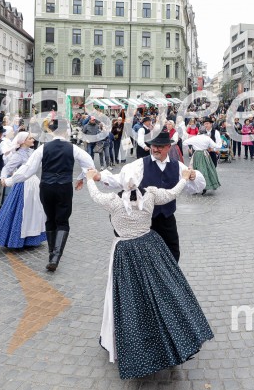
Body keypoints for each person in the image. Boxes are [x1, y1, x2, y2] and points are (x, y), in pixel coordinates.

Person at [85, 167, 213, 379]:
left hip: (125, 251)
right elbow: (172, 193)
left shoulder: (113, 202)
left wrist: (90, 179)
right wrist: (182, 178)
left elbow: (95, 195)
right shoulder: (150, 194)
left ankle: (135, 348)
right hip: (150, 246)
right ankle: (171, 338)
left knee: (129, 299)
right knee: (161, 293)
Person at [94, 131, 206, 262]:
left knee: (173, 251)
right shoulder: (140, 164)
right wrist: (100, 176)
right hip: (144, 219)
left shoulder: (178, 166)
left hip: (167, 217)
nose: (155, 149)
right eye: (154, 146)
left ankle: (169, 278)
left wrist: (194, 176)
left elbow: (197, 186)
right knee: (146, 255)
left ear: (168, 147)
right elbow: (121, 179)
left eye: (160, 146)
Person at [2, 120, 96, 271]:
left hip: (46, 186)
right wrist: (81, 177)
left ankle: (52, 253)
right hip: (64, 186)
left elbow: (28, 170)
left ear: (52, 131)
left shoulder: (42, 148)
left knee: (50, 219)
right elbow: (90, 164)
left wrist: (10, 180)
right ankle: (55, 256)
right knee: (63, 221)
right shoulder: (73, 148)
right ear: (67, 132)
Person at [0, 132, 46, 248]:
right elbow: (7, 168)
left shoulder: (32, 152)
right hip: (23, 185)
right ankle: (17, 239)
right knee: (23, 212)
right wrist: (3, 177)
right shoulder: (18, 155)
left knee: (35, 211)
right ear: (23, 141)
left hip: (34, 184)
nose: (33, 139)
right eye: (30, 138)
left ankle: (32, 238)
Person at [184, 130, 221, 195]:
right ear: (205, 133)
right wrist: (220, 143)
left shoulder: (194, 138)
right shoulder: (207, 138)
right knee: (206, 170)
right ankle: (205, 187)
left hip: (197, 155)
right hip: (204, 154)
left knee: (195, 169)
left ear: (199, 132)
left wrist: (191, 146)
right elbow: (216, 146)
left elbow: (184, 142)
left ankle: (195, 187)